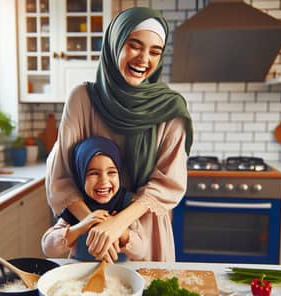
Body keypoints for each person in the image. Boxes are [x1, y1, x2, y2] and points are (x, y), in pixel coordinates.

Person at [46, 6, 193, 262]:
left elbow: (168, 183)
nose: (144, 59)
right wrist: (94, 224)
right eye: (134, 45)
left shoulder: (171, 108)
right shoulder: (82, 99)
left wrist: (118, 226)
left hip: (144, 234)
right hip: (89, 236)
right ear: (114, 44)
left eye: (155, 52)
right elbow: (61, 175)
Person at [42, 136, 147, 261]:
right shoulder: (75, 206)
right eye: (94, 173)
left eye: (112, 172)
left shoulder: (125, 202)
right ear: (80, 176)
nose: (104, 181)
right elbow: (48, 248)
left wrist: (117, 228)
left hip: (120, 274)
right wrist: (82, 226)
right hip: (81, 274)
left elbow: (141, 251)